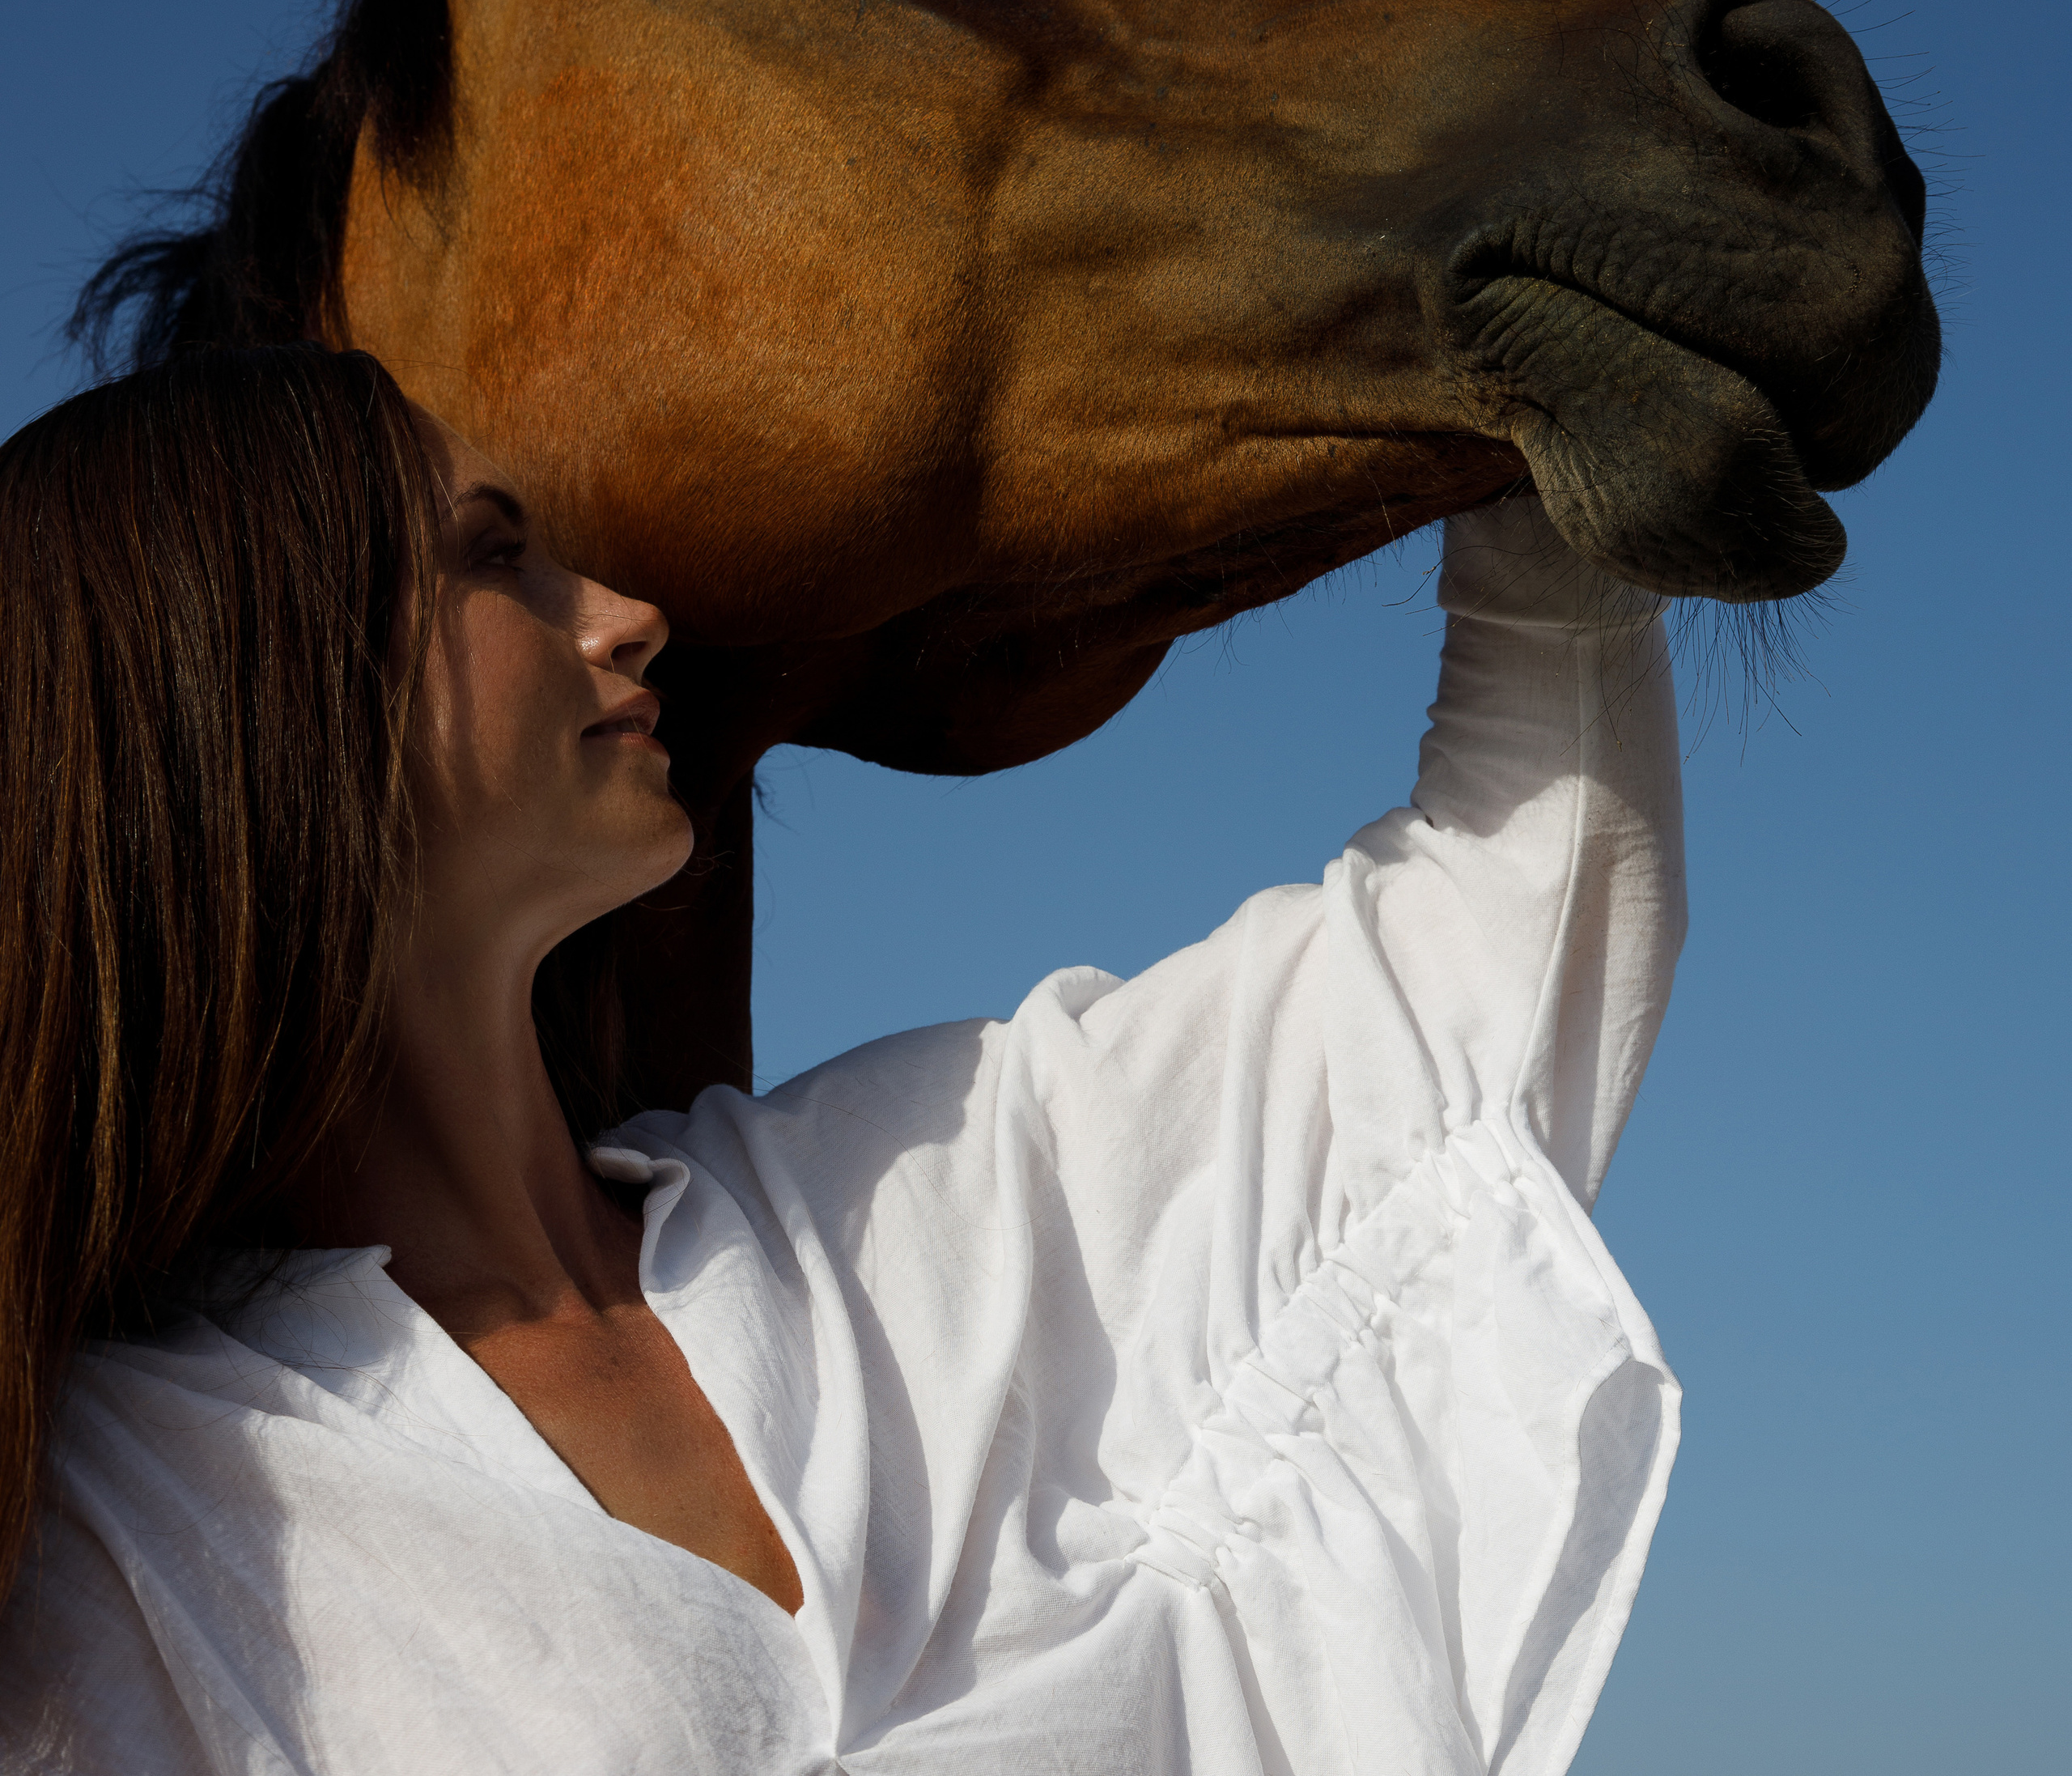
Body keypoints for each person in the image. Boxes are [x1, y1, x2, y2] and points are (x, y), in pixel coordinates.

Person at [0, 342, 1685, 1775]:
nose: (631, 614)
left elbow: (1503, 941)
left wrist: (1544, 412)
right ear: (247, 680)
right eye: (492, 553)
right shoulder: (129, 1524)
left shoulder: (914, 1199)